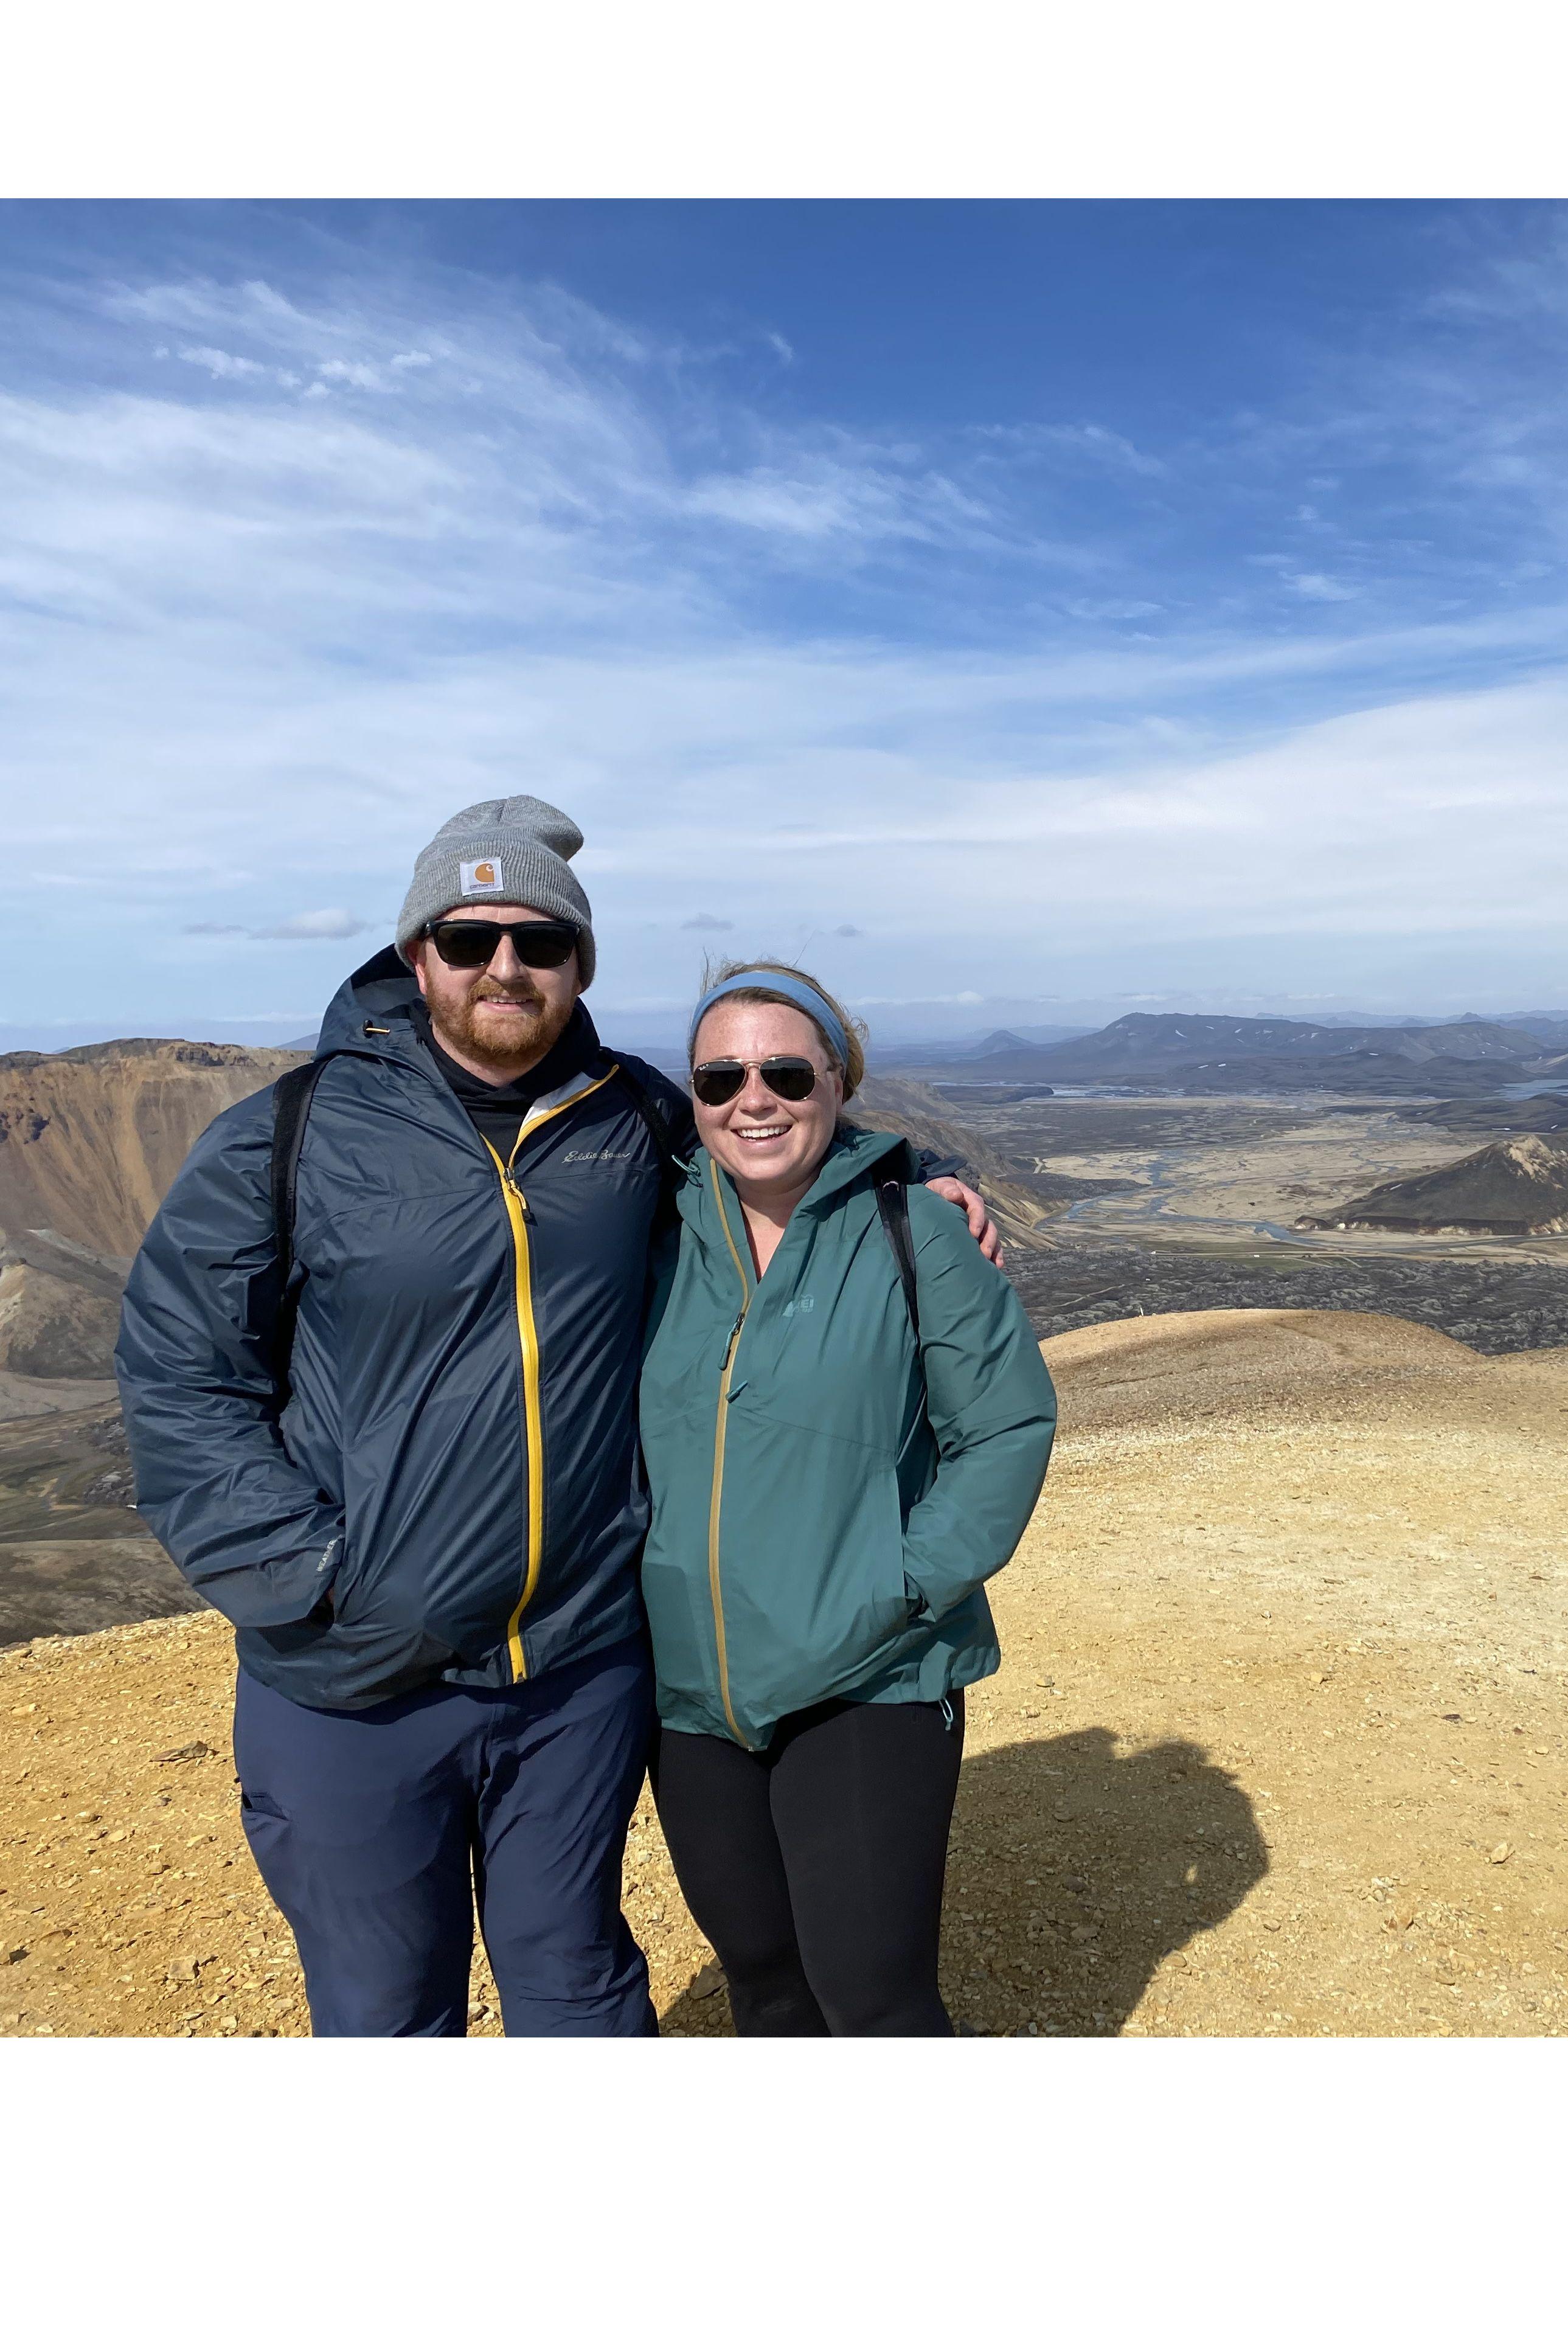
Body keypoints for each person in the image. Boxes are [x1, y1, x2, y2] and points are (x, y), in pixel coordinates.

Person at [114, 797, 1000, 2037]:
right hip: (352, 1680)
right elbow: (178, 1376)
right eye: (469, 940)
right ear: (415, 955)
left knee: (577, 1985)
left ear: (580, 962)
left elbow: (772, 1143)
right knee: (383, 2012)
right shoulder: (290, 1134)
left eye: (539, 940)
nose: (505, 967)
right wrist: (303, 1574)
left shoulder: (631, 1118)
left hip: (574, 1673)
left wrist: (911, 1177)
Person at [640, 960, 1056, 2036]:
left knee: (871, 1993)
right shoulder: (650, 1231)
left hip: (873, 1671)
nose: (753, 1098)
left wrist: (903, 1584)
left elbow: (1003, 1428)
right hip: (691, 1687)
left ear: (838, 1080)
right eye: (719, 1078)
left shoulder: (919, 1235)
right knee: (764, 1972)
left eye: (785, 1070)